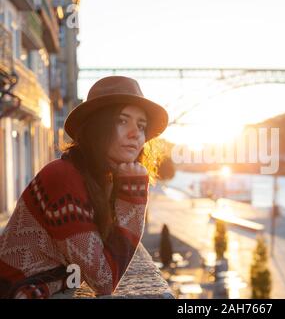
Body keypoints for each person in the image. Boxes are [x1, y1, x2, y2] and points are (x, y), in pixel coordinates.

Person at [0, 76, 168, 298]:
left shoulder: (97, 178)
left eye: (141, 125)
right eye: (122, 120)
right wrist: (133, 196)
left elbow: (105, 263)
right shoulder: (63, 178)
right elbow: (104, 280)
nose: (135, 133)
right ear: (97, 126)